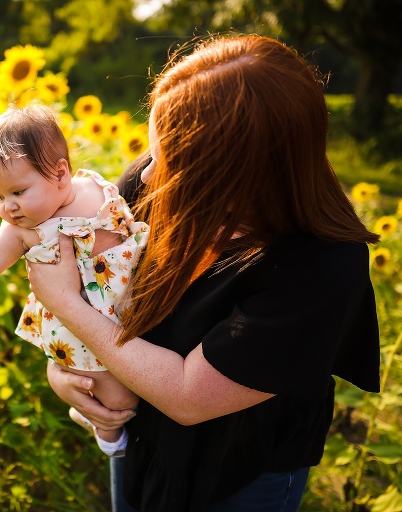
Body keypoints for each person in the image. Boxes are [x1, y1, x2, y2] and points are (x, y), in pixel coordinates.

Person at [26, 35, 381, 512]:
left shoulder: (321, 265)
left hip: (239, 477)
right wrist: (68, 373)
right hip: (140, 444)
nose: (147, 177)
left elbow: (189, 396)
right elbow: (105, 294)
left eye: (172, 163)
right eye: (153, 153)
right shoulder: (157, 186)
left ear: (238, 173)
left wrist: (65, 305)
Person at [0, 103, 147, 455]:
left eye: (17, 192)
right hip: (89, 322)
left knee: (151, 363)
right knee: (121, 395)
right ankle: (108, 435)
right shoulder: (24, 229)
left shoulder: (95, 187)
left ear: (61, 173)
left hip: (135, 299)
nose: (8, 207)